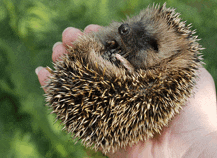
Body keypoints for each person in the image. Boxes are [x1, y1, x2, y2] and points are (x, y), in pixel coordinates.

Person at [36, 25, 217, 158]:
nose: (127, 29)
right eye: (141, 23)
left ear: (174, 62)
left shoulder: (163, 85)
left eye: (153, 45)